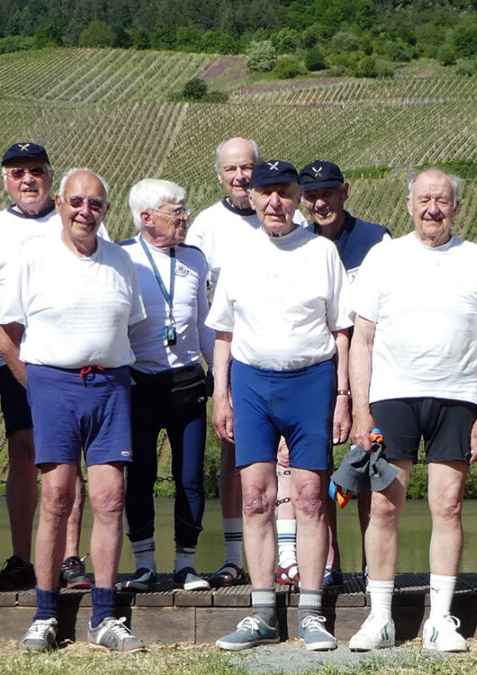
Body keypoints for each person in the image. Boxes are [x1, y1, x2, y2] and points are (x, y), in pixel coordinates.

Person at [345, 168, 477, 653]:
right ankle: (380, 618)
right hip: (392, 396)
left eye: (442, 200)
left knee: (448, 506)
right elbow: (362, 340)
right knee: (384, 505)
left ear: (456, 207)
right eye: (424, 199)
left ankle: (439, 620)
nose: (433, 209)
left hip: (457, 398)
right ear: (409, 205)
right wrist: (360, 410)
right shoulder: (383, 257)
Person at [0, 169, 146, 653]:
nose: (86, 211)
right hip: (53, 385)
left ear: (106, 211)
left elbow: (131, 328)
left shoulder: (121, 261)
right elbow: (6, 341)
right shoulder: (32, 257)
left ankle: (104, 615)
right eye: (77, 202)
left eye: (95, 204)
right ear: (60, 204)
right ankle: (45, 614)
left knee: (110, 499)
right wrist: (39, 389)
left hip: (110, 386)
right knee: (57, 497)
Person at [208, 160, 352, 652]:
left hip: (311, 382)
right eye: (265, 192)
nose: (274, 202)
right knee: (255, 498)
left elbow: (341, 331)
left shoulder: (321, 251)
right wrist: (220, 395)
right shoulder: (239, 254)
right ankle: (263, 611)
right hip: (251, 383)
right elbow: (224, 333)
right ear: (252, 198)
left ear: (297, 198)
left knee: (310, 498)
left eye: (284, 193)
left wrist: (343, 397)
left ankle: (311, 612)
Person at [0, 143, 91, 591]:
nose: (27, 180)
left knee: (67, 456)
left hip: (68, 358)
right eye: (17, 173)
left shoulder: (71, 220)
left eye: (35, 171)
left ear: (50, 177)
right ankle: (22, 558)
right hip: (15, 356)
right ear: (5, 180)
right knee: (22, 450)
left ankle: (70, 559)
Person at [184, 137, 305, 588]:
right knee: (235, 456)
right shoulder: (205, 226)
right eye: (231, 169)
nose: (240, 176)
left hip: (286, 357)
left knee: (286, 454)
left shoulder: (291, 220)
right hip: (235, 357)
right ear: (219, 175)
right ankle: (235, 556)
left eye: (247, 167)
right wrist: (217, 375)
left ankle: (288, 556)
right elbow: (196, 302)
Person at [298, 159, 391, 587]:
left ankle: (373, 564)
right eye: (312, 196)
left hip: (371, 366)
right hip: (318, 369)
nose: (320, 203)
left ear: (345, 191)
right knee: (318, 470)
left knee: (369, 464)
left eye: (328, 193)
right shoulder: (300, 243)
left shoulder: (376, 240)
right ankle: (329, 562)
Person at [119, 179, 214, 592]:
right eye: (176, 210)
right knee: (139, 476)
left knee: (190, 476)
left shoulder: (195, 258)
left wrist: (220, 375)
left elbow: (204, 322)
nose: (185, 216)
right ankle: (143, 564)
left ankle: (185, 563)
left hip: (188, 381)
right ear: (146, 217)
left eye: (184, 208)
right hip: (138, 382)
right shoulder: (123, 257)